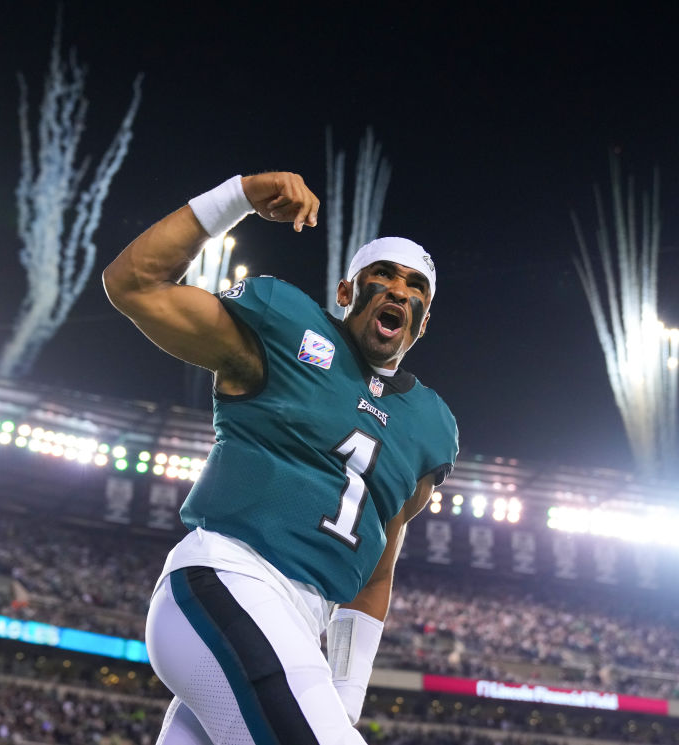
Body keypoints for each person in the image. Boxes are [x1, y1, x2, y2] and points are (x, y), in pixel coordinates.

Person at [103, 171, 458, 744]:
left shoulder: (430, 428)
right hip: (226, 579)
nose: (398, 290)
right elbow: (133, 284)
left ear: (421, 321)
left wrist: (344, 696)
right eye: (383, 276)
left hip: (295, 628)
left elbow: (377, 567)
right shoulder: (287, 329)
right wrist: (237, 197)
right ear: (346, 293)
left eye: (415, 286)